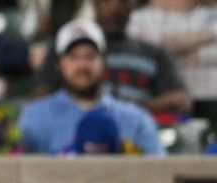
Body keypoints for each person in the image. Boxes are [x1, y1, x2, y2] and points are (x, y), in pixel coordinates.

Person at [34, 0, 191, 120]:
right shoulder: (66, 49)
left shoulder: (155, 53)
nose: (115, 7)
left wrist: (138, 109)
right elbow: (39, 99)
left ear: (133, 3)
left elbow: (181, 100)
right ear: (93, 1)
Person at [19, 19, 163, 155]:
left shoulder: (136, 120)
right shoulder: (34, 117)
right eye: (73, 57)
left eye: (90, 57)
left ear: (104, 61)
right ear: (58, 64)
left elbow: (159, 172)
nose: (82, 65)